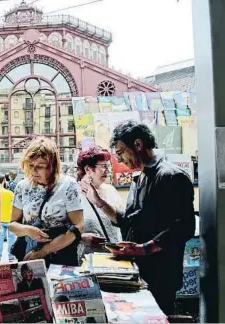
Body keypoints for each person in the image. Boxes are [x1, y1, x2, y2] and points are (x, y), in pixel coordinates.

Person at [83, 120, 195, 315]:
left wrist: (144, 249)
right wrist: (99, 202)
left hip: (161, 274)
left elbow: (184, 226)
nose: (119, 159)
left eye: (120, 152)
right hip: (139, 270)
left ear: (138, 144)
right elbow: (128, 220)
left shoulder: (170, 176)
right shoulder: (139, 178)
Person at [9, 137, 83, 266]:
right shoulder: (22, 186)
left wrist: (44, 250)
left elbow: (79, 226)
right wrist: (28, 230)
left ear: (53, 166)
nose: (33, 171)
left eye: (40, 167)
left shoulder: (68, 185)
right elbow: (12, 225)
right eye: (30, 165)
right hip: (29, 256)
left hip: (61, 257)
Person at [76, 146, 122, 259]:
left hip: (115, 258)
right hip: (87, 259)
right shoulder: (74, 195)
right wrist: (82, 237)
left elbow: (123, 221)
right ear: (88, 169)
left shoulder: (111, 191)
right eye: (104, 166)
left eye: (109, 166)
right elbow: (63, 230)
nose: (108, 170)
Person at [0, 174, 16, 262]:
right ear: (4, 180)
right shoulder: (10, 193)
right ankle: (11, 257)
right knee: (11, 239)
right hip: (10, 219)